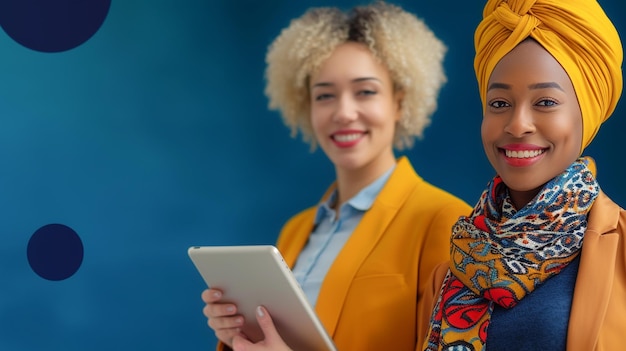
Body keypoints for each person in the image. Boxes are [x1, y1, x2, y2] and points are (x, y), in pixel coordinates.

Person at [201, 2, 471, 350]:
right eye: (324, 95)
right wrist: (237, 333)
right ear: (307, 107)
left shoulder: (446, 221)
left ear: (399, 102)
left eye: (366, 91)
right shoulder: (295, 231)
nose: (344, 112)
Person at [418, 0, 625, 350]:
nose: (517, 125)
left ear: (585, 114)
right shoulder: (451, 275)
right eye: (499, 103)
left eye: (545, 102)